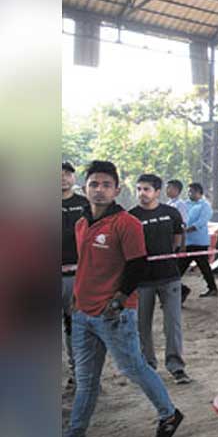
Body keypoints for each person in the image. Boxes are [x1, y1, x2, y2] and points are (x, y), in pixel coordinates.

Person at [66, 161, 183, 437]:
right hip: (83, 314)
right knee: (86, 380)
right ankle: (76, 430)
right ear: (85, 188)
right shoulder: (81, 224)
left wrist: (118, 301)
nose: (99, 190)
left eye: (107, 185)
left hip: (114, 314)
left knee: (133, 368)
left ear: (116, 190)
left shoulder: (126, 223)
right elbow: (85, 264)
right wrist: (75, 298)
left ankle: (169, 414)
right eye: (94, 184)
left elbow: (137, 265)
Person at [129, 174, 191, 384]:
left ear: (157, 191)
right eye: (139, 189)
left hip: (169, 278)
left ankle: (176, 367)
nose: (142, 193)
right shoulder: (131, 217)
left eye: (146, 189)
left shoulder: (171, 213)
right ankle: (147, 366)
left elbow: (177, 240)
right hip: (141, 281)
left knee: (172, 323)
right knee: (142, 325)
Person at [62, 161, 90, 389]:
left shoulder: (85, 204)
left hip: (78, 276)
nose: (63, 178)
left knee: (76, 326)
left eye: (67, 174)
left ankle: (79, 373)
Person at [179, 183, 218, 297]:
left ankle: (213, 288)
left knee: (204, 267)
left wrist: (188, 229)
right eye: (189, 191)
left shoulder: (205, 205)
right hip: (186, 242)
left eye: (192, 191)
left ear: (199, 193)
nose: (189, 193)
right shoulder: (184, 204)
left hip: (200, 242)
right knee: (179, 267)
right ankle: (177, 290)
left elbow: (202, 221)